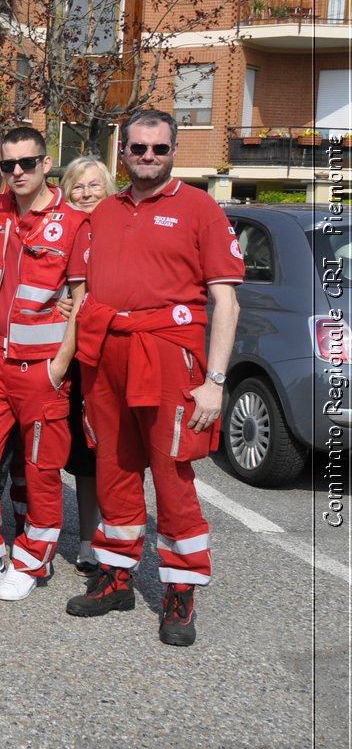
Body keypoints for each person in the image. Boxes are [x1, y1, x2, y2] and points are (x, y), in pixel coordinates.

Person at [68, 109, 241, 647]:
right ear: (124, 152)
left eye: (158, 149)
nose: (147, 157)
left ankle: (181, 589)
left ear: (173, 151)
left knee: (172, 475)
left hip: (169, 355)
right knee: (115, 466)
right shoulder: (103, 212)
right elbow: (78, 294)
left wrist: (215, 381)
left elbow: (226, 299)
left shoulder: (200, 208)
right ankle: (116, 575)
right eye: (138, 148)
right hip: (106, 356)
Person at [0, 126, 90, 603]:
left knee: (41, 470)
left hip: (41, 368)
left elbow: (81, 300)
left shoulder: (73, 222)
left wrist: (59, 366)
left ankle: (34, 559)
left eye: (27, 163)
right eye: (7, 165)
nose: (16, 172)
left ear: (45, 163)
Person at [57, 156, 114, 574]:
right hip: (72, 355)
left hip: (115, 352)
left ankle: (120, 529)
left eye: (95, 185)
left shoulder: (121, 228)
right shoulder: (64, 229)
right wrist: (63, 301)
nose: (87, 193)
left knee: (119, 450)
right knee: (84, 455)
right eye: (78, 186)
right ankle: (88, 539)